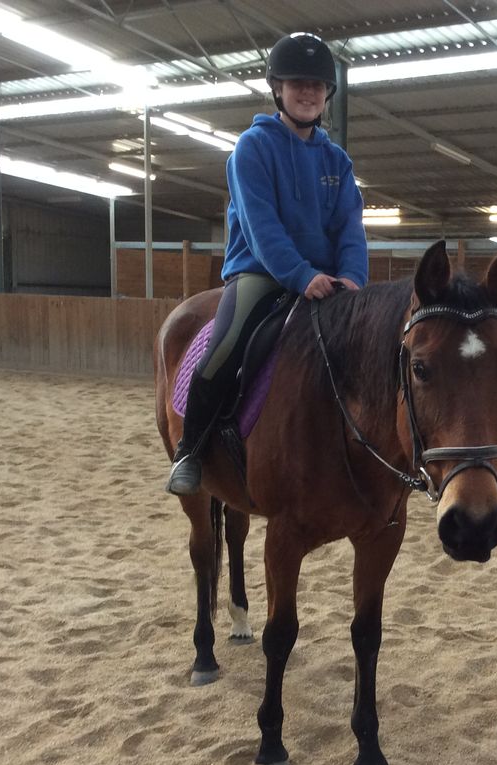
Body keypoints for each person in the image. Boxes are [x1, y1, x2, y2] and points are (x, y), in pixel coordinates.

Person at [166, 31, 369, 496]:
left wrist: (353, 277)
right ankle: (191, 449)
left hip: (329, 280)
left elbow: (350, 229)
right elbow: (262, 228)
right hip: (261, 273)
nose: (307, 92)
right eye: (297, 83)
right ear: (277, 88)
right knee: (227, 345)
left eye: (317, 86)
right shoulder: (252, 149)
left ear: (327, 96)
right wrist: (302, 275)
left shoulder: (337, 161)